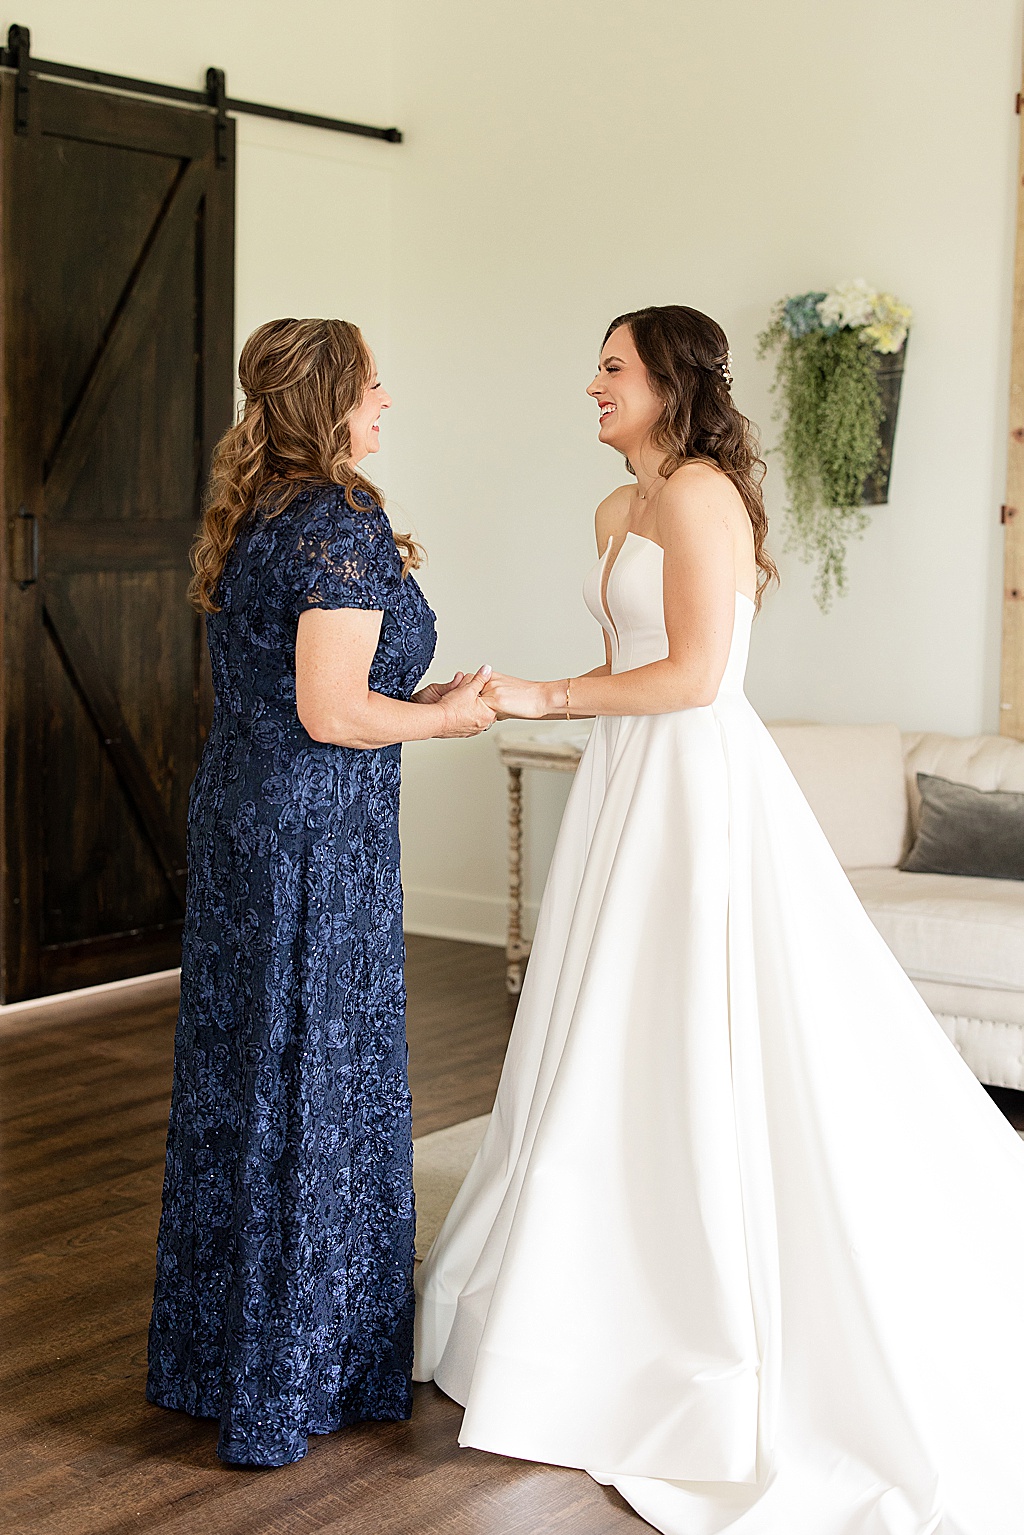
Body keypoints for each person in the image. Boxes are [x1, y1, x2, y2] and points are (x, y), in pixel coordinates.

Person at [414, 305, 1024, 1533]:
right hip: (625, 788)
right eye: (594, 364)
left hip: (696, 780)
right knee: (600, 1016)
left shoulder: (699, 494)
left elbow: (694, 675)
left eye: (611, 366)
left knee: (695, 1012)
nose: (590, 383)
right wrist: (564, 702)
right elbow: (637, 663)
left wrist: (545, 692)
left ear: (666, 383)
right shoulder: (612, 511)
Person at [147, 317, 494, 1467]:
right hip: (314, 837)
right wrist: (446, 715)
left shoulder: (263, 509)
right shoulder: (339, 519)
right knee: (314, 1082)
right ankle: (299, 1373)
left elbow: (325, 681)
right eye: (376, 383)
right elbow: (334, 712)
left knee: (246, 1075)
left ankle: (221, 1359)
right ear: (337, 397)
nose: (388, 400)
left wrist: (418, 689)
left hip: (251, 815)